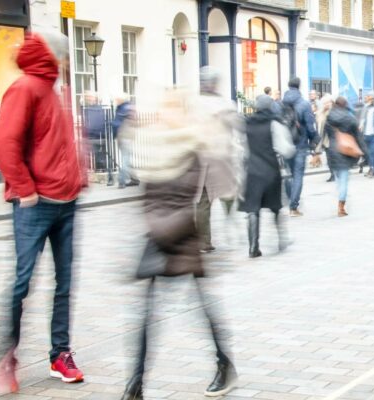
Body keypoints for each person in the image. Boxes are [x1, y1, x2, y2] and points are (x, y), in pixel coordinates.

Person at [121, 88, 237, 399]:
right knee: (146, 315)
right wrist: (153, 227)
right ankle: (136, 383)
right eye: (163, 107)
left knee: (203, 309)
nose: (165, 113)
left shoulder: (192, 147)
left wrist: (158, 230)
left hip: (182, 237)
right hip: (159, 237)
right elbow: (148, 197)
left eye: (172, 107)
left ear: (183, 112)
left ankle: (225, 364)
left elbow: (187, 200)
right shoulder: (153, 148)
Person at [0, 29, 86, 394]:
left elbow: (59, 143)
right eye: (64, 57)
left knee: (65, 283)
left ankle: (60, 353)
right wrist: (25, 189)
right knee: (22, 282)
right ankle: (6, 358)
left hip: (66, 203)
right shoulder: (27, 87)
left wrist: (79, 177)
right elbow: (3, 141)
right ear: (55, 56)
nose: (66, 63)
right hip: (36, 205)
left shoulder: (55, 90)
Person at [195, 66, 242, 254]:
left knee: (203, 201)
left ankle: (203, 242)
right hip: (222, 156)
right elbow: (238, 126)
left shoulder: (193, 104)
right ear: (214, 83)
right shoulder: (225, 105)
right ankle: (231, 223)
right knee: (228, 192)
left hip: (201, 157)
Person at [241, 95, 295, 258]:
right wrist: (291, 150)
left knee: (252, 209)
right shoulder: (274, 123)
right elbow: (285, 148)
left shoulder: (247, 123)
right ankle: (281, 240)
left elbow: (242, 148)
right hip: (270, 170)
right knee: (276, 206)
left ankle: (253, 247)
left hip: (252, 171)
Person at [282, 77, 319, 217]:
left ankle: (291, 199)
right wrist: (314, 139)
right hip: (300, 143)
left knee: (289, 174)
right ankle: (293, 207)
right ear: (300, 86)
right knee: (298, 175)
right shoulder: (304, 104)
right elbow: (310, 125)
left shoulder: (281, 104)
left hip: (285, 144)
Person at [324, 97, 366, 217]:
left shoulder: (329, 116)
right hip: (345, 150)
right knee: (344, 179)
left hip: (332, 149)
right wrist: (364, 152)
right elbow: (358, 136)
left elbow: (326, 133)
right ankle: (341, 206)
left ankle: (340, 194)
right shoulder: (350, 118)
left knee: (339, 177)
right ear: (345, 105)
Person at [83, 92, 112, 185]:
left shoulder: (98, 109)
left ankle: (108, 177)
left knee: (101, 158)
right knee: (93, 158)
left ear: (95, 99)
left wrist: (104, 133)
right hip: (93, 136)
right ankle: (99, 177)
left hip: (99, 136)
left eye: (90, 97)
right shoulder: (87, 109)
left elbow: (105, 121)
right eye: (88, 98)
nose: (89, 99)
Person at [112, 94, 139, 189]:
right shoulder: (129, 107)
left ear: (121, 99)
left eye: (117, 98)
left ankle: (121, 181)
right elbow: (136, 123)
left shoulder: (123, 108)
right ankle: (135, 179)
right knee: (127, 158)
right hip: (128, 136)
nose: (115, 100)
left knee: (125, 159)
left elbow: (116, 124)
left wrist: (114, 133)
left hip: (124, 136)